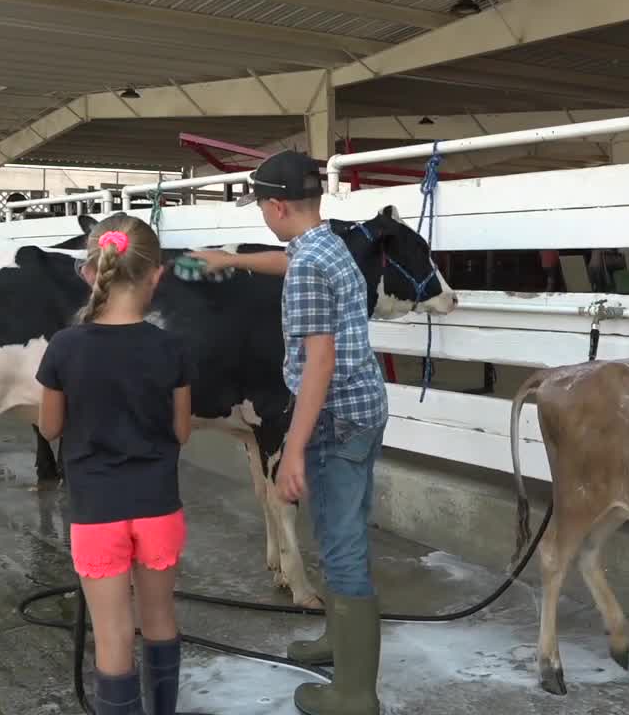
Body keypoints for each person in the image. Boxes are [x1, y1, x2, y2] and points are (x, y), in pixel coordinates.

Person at [189, 149, 388, 715]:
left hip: (333, 419)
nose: (260, 213)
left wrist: (294, 449)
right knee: (338, 529)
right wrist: (232, 261)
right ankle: (336, 645)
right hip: (365, 406)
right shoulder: (329, 245)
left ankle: (355, 695)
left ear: (276, 206)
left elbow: (318, 361)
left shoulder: (309, 268)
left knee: (343, 546)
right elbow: (292, 263)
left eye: (259, 204)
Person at [35, 214, 195, 715]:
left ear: (90, 272)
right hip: (158, 506)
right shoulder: (171, 347)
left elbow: (49, 428)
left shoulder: (64, 347)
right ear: (157, 275)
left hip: (96, 511)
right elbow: (182, 431)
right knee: (160, 616)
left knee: (112, 635)